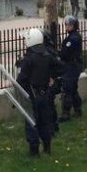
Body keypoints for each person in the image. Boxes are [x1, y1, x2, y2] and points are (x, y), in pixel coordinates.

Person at [17, 28, 60, 156]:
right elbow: (60, 67)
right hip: (44, 93)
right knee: (44, 121)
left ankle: (34, 150)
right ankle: (47, 147)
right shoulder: (47, 55)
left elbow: (21, 79)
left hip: (32, 95)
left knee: (31, 122)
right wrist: (51, 77)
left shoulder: (29, 59)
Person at [58, 16, 83, 121]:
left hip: (72, 66)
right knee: (73, 89)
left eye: (69, 25)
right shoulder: (73, 36)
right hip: (73, 65)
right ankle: (77, 109)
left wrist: (59, 54)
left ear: (74, 26)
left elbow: (65, 54)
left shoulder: (73, 38)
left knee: (68, 89)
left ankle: (66, 113)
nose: (67, 27)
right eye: (66, 25)